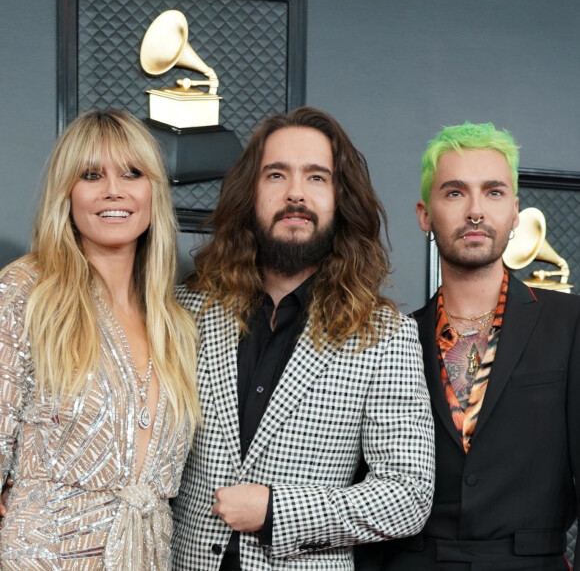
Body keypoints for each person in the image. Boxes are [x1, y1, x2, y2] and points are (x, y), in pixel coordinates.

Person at [172, 106, 435, 570]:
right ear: (250, 193)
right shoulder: (185, 311)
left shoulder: (385, 335)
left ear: (340, 197)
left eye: (317, 178)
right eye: (276, 175)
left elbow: (407, 495)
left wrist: (278, 511)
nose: (296, 193)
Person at [0, 109, 201, 569]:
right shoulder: (27, 292)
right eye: (92, 175)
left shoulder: (175, 321)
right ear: (67, 193)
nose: (114, 189)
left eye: (133, 173)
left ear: (153, 192)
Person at [380, 122, 580, 570]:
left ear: (515, 213)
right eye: (454, 193)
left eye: (493, 192)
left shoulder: (571, 324)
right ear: (424, 215)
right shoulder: (392, 337)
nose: (475, 211)